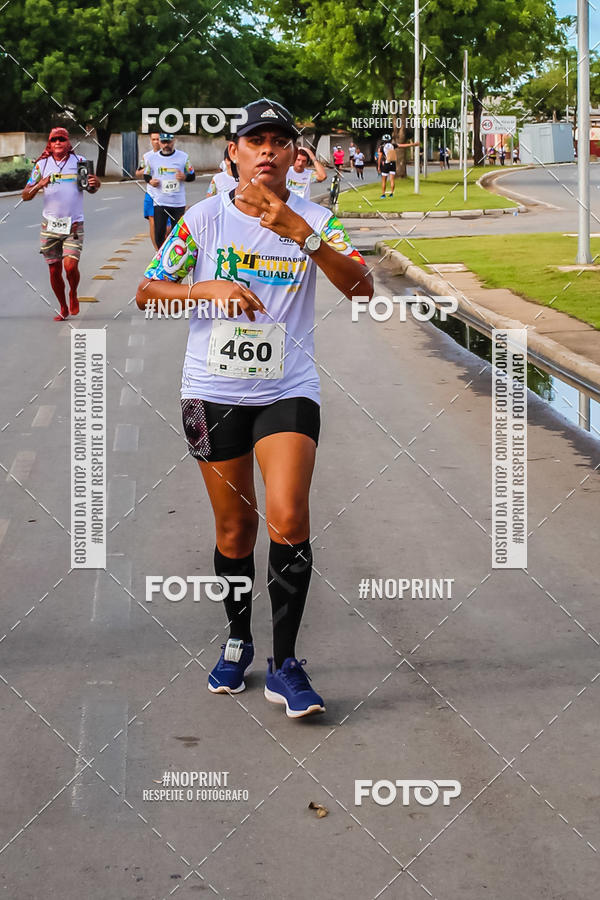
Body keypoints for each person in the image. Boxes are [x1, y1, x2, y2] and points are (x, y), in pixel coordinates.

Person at [136, 98, 374, 718]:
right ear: (234, 153)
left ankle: (286, 663)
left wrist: (306, 236)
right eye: (255, 140)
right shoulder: (204, 221)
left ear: (296, 155)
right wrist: (200, 288)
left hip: (287, 388)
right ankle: (238, 637)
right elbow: (146, 292)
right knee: (235, 529)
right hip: (212, 390)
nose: (268, 149)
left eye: (280, 140)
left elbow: (361, 287)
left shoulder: (316, 217)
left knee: (289, 518)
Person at [22, 126, 100, 321]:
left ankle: (73, 292)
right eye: (54, 139)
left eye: (62, 139)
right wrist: (39, 184)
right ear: (50, 143)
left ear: (68, 143)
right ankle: (63, 306)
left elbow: (90, 188)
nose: (58, 143)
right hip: (49, 226)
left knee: (70, 267)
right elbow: (25, 195)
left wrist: (95, 183)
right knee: (54, 268)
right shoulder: (42, 165)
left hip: (74, 224)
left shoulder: (79, 162)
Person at [144, 132, 195, 248]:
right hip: (160, 201)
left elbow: (192, 175)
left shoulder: (183, 157)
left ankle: (176, 257)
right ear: (160, 143)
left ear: (174, 141)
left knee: (178, 233)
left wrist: (185, 177)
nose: (166, 145)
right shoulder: (152, 159)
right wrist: (151, 181)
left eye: (169, 142)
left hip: (178, 202)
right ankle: (161, 255)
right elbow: (146, 175)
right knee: (159, 232)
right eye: (163, 142)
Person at [136, 131, 161, 249]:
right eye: (153, 139)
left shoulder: (169, 155)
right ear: (150, 141)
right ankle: (157, 250)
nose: (156, 142)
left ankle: (164, 247)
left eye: (158, 139)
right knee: (152, 222)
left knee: (166, 227)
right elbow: (138, 172)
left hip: (166, 195)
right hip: (151, 194)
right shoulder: (146, 156)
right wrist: (147, 169)